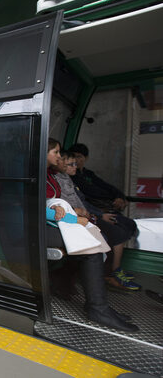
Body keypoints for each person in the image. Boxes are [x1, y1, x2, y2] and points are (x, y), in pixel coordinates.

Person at [46, 138, 138, 332]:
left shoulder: (52, 175)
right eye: (55, 152)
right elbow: (40, 206)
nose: (59, 156)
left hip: (56, 221)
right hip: (43, 225)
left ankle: (98, 305)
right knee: (90, 249)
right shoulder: (37, 175)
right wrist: (73, 219)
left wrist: (70, 213)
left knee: (96, 243)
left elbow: (54, 202)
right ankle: (97, 308)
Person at [57, 151, 140, 291]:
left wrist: (98, 213)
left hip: (88, 215)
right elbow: (71, 205)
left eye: (76, 164)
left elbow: (85, 200)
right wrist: (98, 215)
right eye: (71, 164)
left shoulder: (71, 178)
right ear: (61, 164)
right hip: (77, 218)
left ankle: (113, 272)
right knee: (111, 235)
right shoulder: (60, 181)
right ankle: (109, 274)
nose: (75, 167)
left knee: (124, 226)